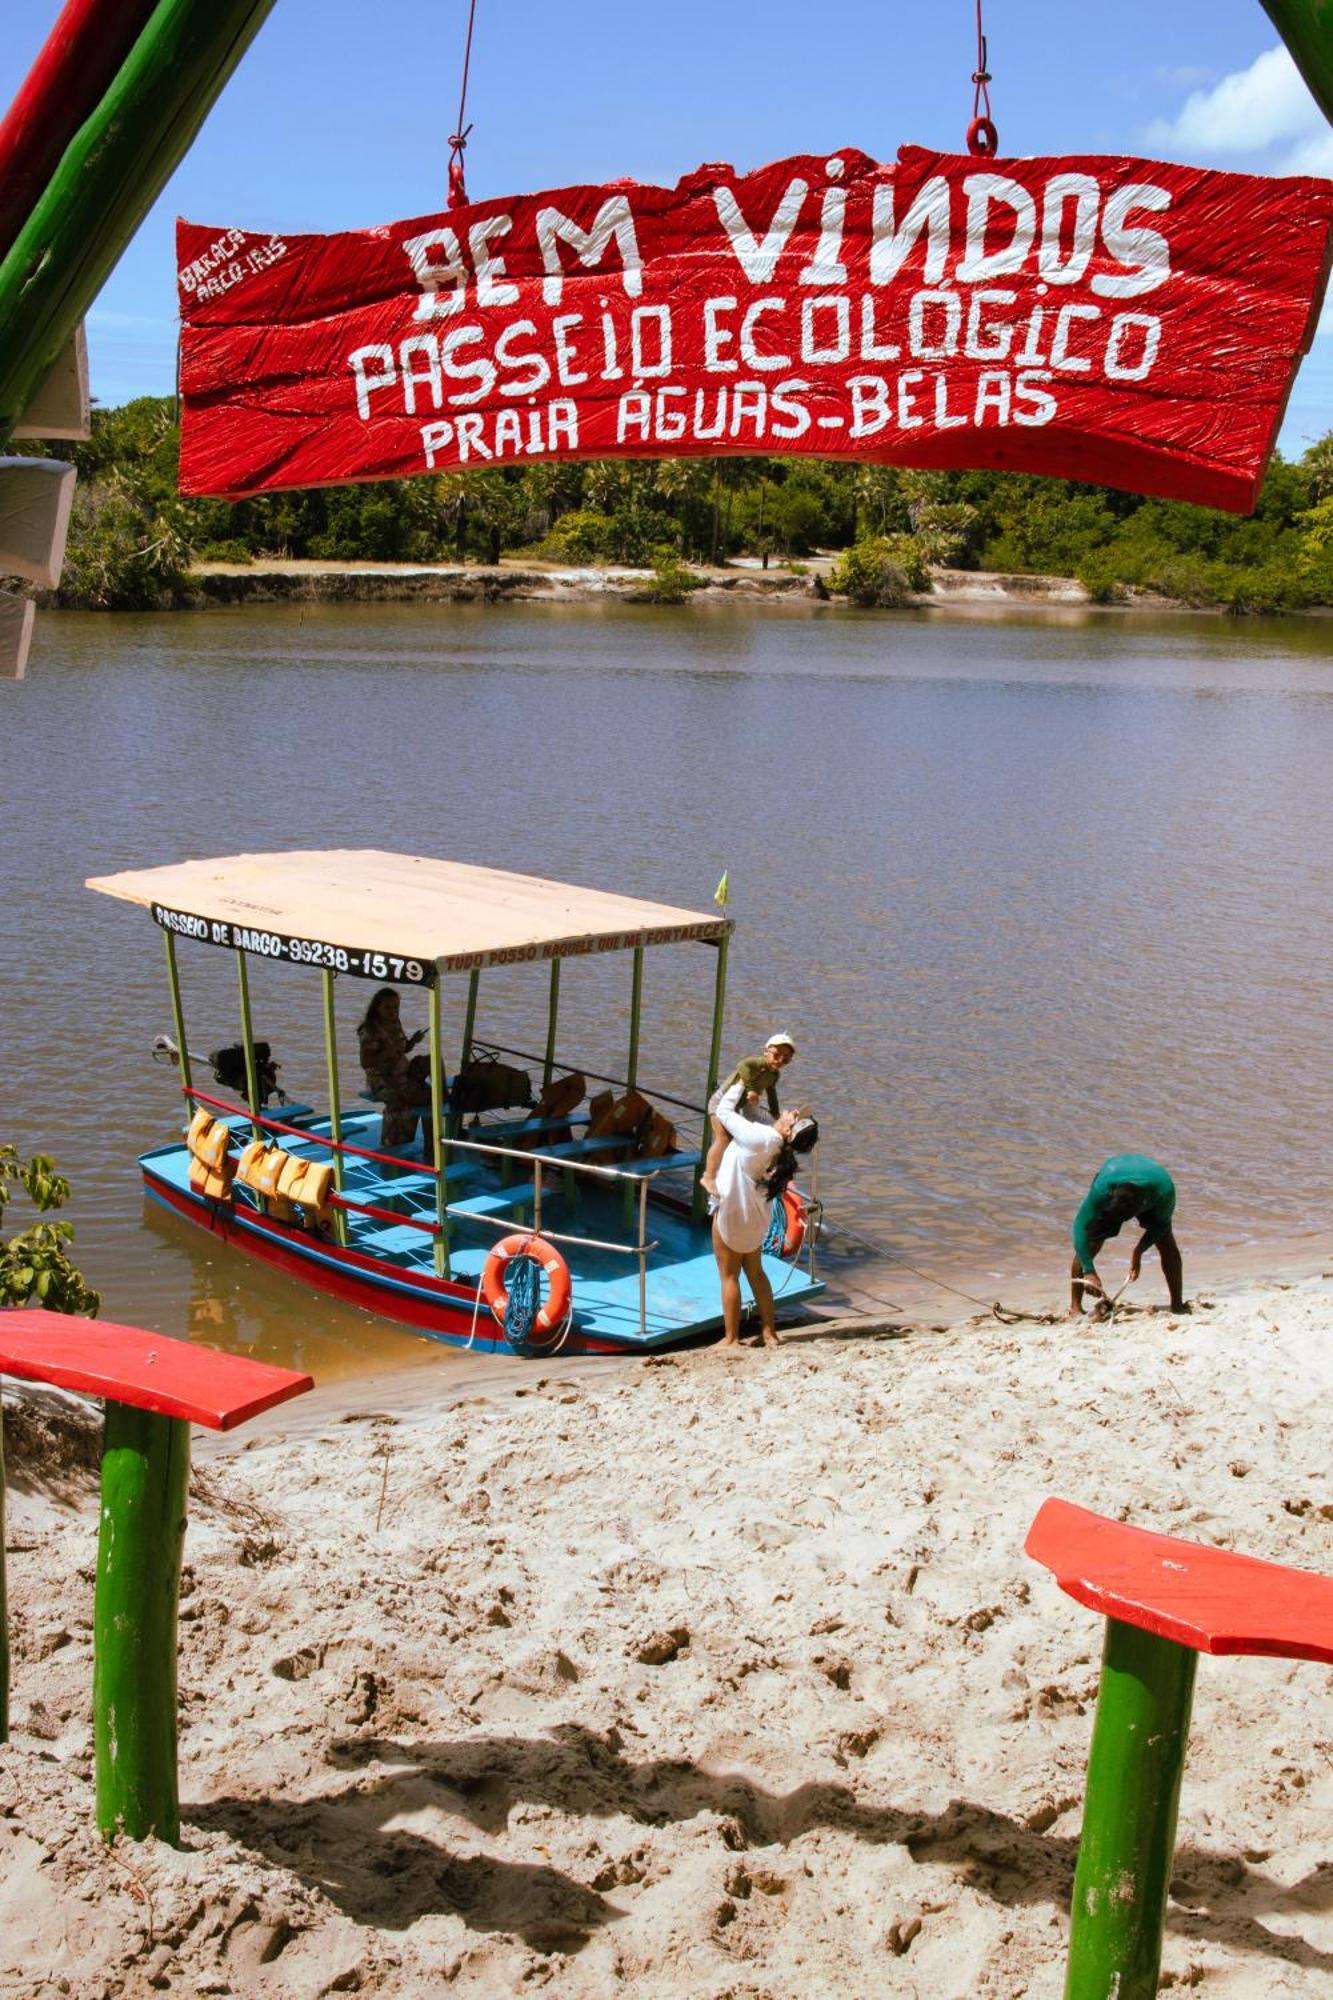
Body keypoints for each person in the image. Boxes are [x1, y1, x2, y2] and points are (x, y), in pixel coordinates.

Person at [711, 1089, 819, 1348]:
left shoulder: (760, 1138)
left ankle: (731, 1338)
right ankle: (770, 1333)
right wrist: (752, 1103)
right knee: (756, 1272)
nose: (791, 1111)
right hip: (757, 1217)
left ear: (787, 1130)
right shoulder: (778, 1147)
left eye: (793, 1116)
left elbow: (723, 1111)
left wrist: (738, 1083)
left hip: (733, 1212)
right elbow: (754, 1124)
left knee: (729, 1276)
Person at [1070, 1153, 1188, 1318]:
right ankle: (1075, 1307)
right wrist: (1089, 1271)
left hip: (1152, 1186)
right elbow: (1079, 1227)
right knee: (1091, 1242)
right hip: (1114, 1176)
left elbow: (1162, 1226)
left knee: (1166, 1242)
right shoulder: (1103, 1190)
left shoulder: (1164, 1192)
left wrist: (1138, 1251)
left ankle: (1177, 1305)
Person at [701, 1031, 797, 1196]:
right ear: (766, 1051)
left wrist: (775, 1113)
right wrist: (752, 1090)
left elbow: (771, 1092)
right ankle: (708, 1177)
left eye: (786, 1059)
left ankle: (749, 1174)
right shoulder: (758, 1063)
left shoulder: (774, 1075)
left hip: (736, 1107)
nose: (780, 1060)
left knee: (740, 1140)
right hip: (720, 1102)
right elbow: (742, 1066)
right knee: (723, 1139)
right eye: (777, 1055)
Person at [356, 987, 433, 1154]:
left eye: (395, 1008)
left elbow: (403, 1049)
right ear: (377, 1007)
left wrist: (413, 1041)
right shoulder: (370, 1029)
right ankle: (392, 1143)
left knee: (432, 1069)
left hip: (402, 1071)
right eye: (388, 1008)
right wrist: (385, 1054)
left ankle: (431, 1145)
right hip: (382, 1078)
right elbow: (365, 1062)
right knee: (415, 1099)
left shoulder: (395, 1022)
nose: (392, 1012)